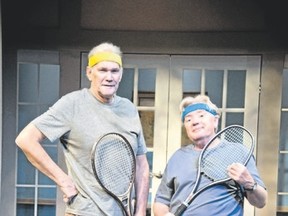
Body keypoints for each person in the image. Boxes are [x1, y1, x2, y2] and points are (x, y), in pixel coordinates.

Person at [15, 42, 150, 216]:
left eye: (114, 71)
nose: (109, 77)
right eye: (102, 70)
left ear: (121, 74)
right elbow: (26, 139)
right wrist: (64, 181)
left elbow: (141, 166)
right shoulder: (72, 104)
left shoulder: (129, 109)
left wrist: (139, 212)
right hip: (84, 212)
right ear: (89, 73)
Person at [153, 95, 267, 216]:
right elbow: (161, 201)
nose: (195, 122)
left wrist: (249, 183)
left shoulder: (238, 152)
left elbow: (261, 202)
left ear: (215, 121)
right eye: (188, 119)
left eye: (201, 115)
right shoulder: (177, 157)